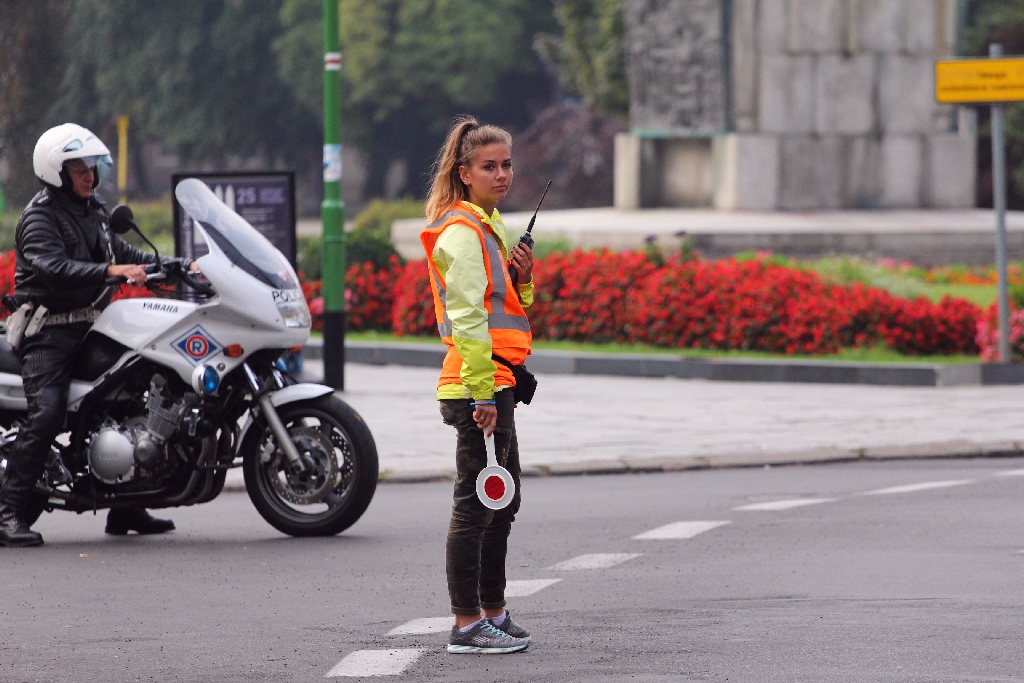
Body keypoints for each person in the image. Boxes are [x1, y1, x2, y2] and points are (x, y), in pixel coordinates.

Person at [0, 123, 176, 547]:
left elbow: (123, 253)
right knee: (47, 413)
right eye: (79, 168)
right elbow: (54, 268)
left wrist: (177, 265)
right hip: (49, 331)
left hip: (93, 324)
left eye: (92, 167)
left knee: (130, 396)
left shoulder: (93, 210)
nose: (89, 176)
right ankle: (6, 512)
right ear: (56, 170)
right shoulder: (38, 218)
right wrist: (111, 272)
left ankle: (126, 508)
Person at [422, 116, 536, 654]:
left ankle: (494, 610)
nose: (501, 174)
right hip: (477, 387)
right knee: (475, 505)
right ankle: (466, 624)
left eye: (507, 164)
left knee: (502, 501)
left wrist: (522, 279)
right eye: (488, 166)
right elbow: (467, 320)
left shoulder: (489, 227)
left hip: (497, 380)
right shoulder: (464, 232)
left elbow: (502, 311)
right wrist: (485, 395)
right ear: (464, 173)